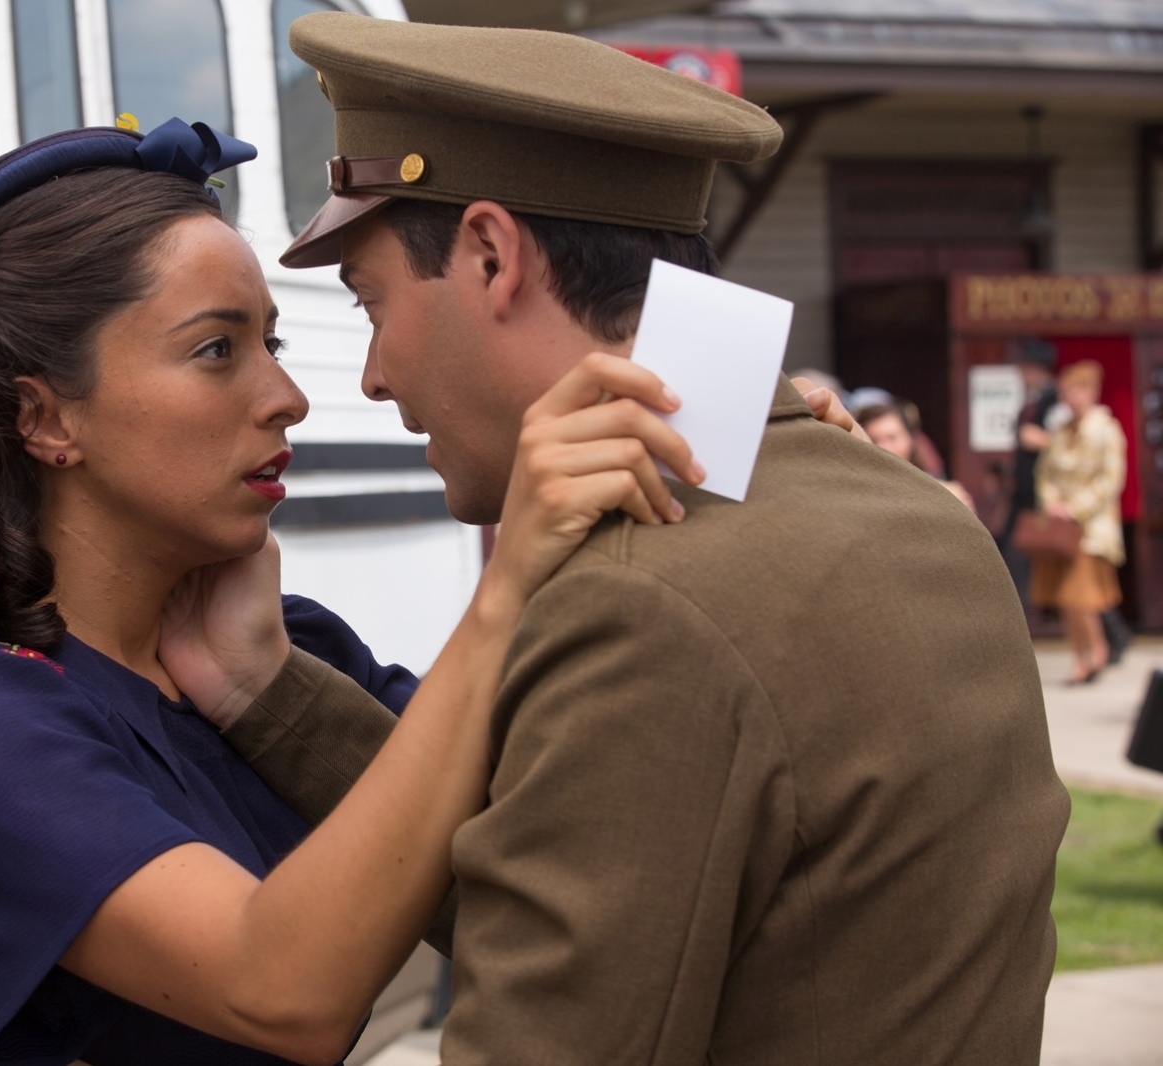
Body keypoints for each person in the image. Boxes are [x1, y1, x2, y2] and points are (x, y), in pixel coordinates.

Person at [204, 13, 1069, 1065]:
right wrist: (271, 695)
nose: (374, 373)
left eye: (373, 303)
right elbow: (589, 899)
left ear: (487, 255)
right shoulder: (919, 514)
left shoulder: (642, 599)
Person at [0, 118, 721, 1066]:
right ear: (43, 417)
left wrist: (761, 465)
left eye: (274, 340)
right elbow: (282, 993)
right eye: (218, 350)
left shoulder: (280, 648)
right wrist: (505, 592)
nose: (288, 394)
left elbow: (582, 837)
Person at [1032, 359, 1128, 684]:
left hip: (1090, 528)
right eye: (1066, 391)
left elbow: (1110, 481)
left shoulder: (1106, 430)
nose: (1070, 398)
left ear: (1090, 392)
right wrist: (1052, 503)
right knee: (1063, 596)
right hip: (1060, 527)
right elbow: (1045, 473)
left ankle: (1096, 650)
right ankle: (1080, 654)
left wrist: (1076, 508)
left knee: (1080, 595)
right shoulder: (1059, 431)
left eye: (1075, 390)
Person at [856, 401, 975, 512]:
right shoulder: (856, 494)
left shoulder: (947, 495)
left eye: (892, 438)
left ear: (910, 439)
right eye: (873, 439)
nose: (884, 448)